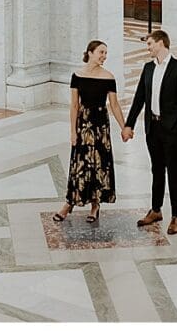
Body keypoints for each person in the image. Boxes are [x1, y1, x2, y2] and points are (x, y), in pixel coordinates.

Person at [123, 29, 177, 235]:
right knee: (156, 170)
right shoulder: (148, 68)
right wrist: (129, 124)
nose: (148, 48)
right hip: (152, 127)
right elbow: (139, 98)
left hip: (170, 129)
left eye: (150, 44)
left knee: (173, 172)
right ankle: (156, 210)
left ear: (161, 43)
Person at [53, 40, 127, 223]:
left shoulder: (108, 77)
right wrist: (73, 131)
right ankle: (69, 203)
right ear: (90, 53)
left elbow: (114, 105)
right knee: (79, 164)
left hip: (101, 125)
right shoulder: (77, 76)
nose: (104, 56)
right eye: (101, 52)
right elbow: (74, 106)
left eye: (106, 53)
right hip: (83, 123)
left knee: (99, 164)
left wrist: (124, 127)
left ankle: (95, 204)